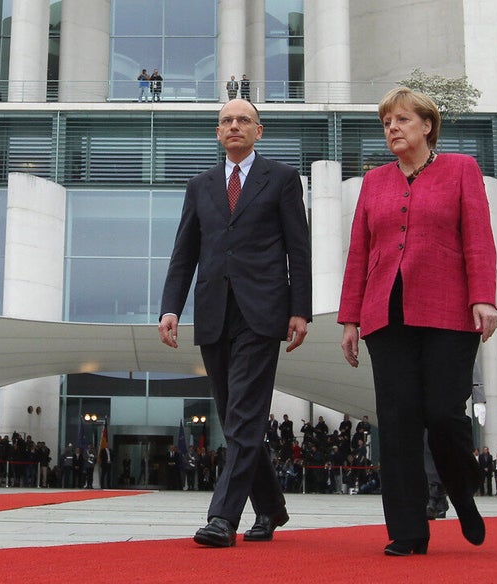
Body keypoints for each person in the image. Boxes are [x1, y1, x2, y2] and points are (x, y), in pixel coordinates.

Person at [339, 87, 497, 556]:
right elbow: (358, 253)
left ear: (427, 125)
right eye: (386, 122)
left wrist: (483, 298)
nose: (392, 128)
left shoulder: (461, 170)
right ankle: (408, 531)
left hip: (448, 309)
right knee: (399, 420)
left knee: (444, 413)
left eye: (402, 119)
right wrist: (350, 318)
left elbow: (479, 238)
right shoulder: (374, 182)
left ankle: (461, 488)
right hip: (386, 314)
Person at [158, 98, 312, 547]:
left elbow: (297, 249)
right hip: (213, 312)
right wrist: (171, 307)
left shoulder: (281, 180)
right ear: (218, 132)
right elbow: (184, 253)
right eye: (226, 121)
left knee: (245, 414)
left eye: (243, 120)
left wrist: (299, 309)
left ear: (258, 131)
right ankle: (270, 507)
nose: (234, 126)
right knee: (233, 417)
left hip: (263, 312)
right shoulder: (200, 186)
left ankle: (222, 517)